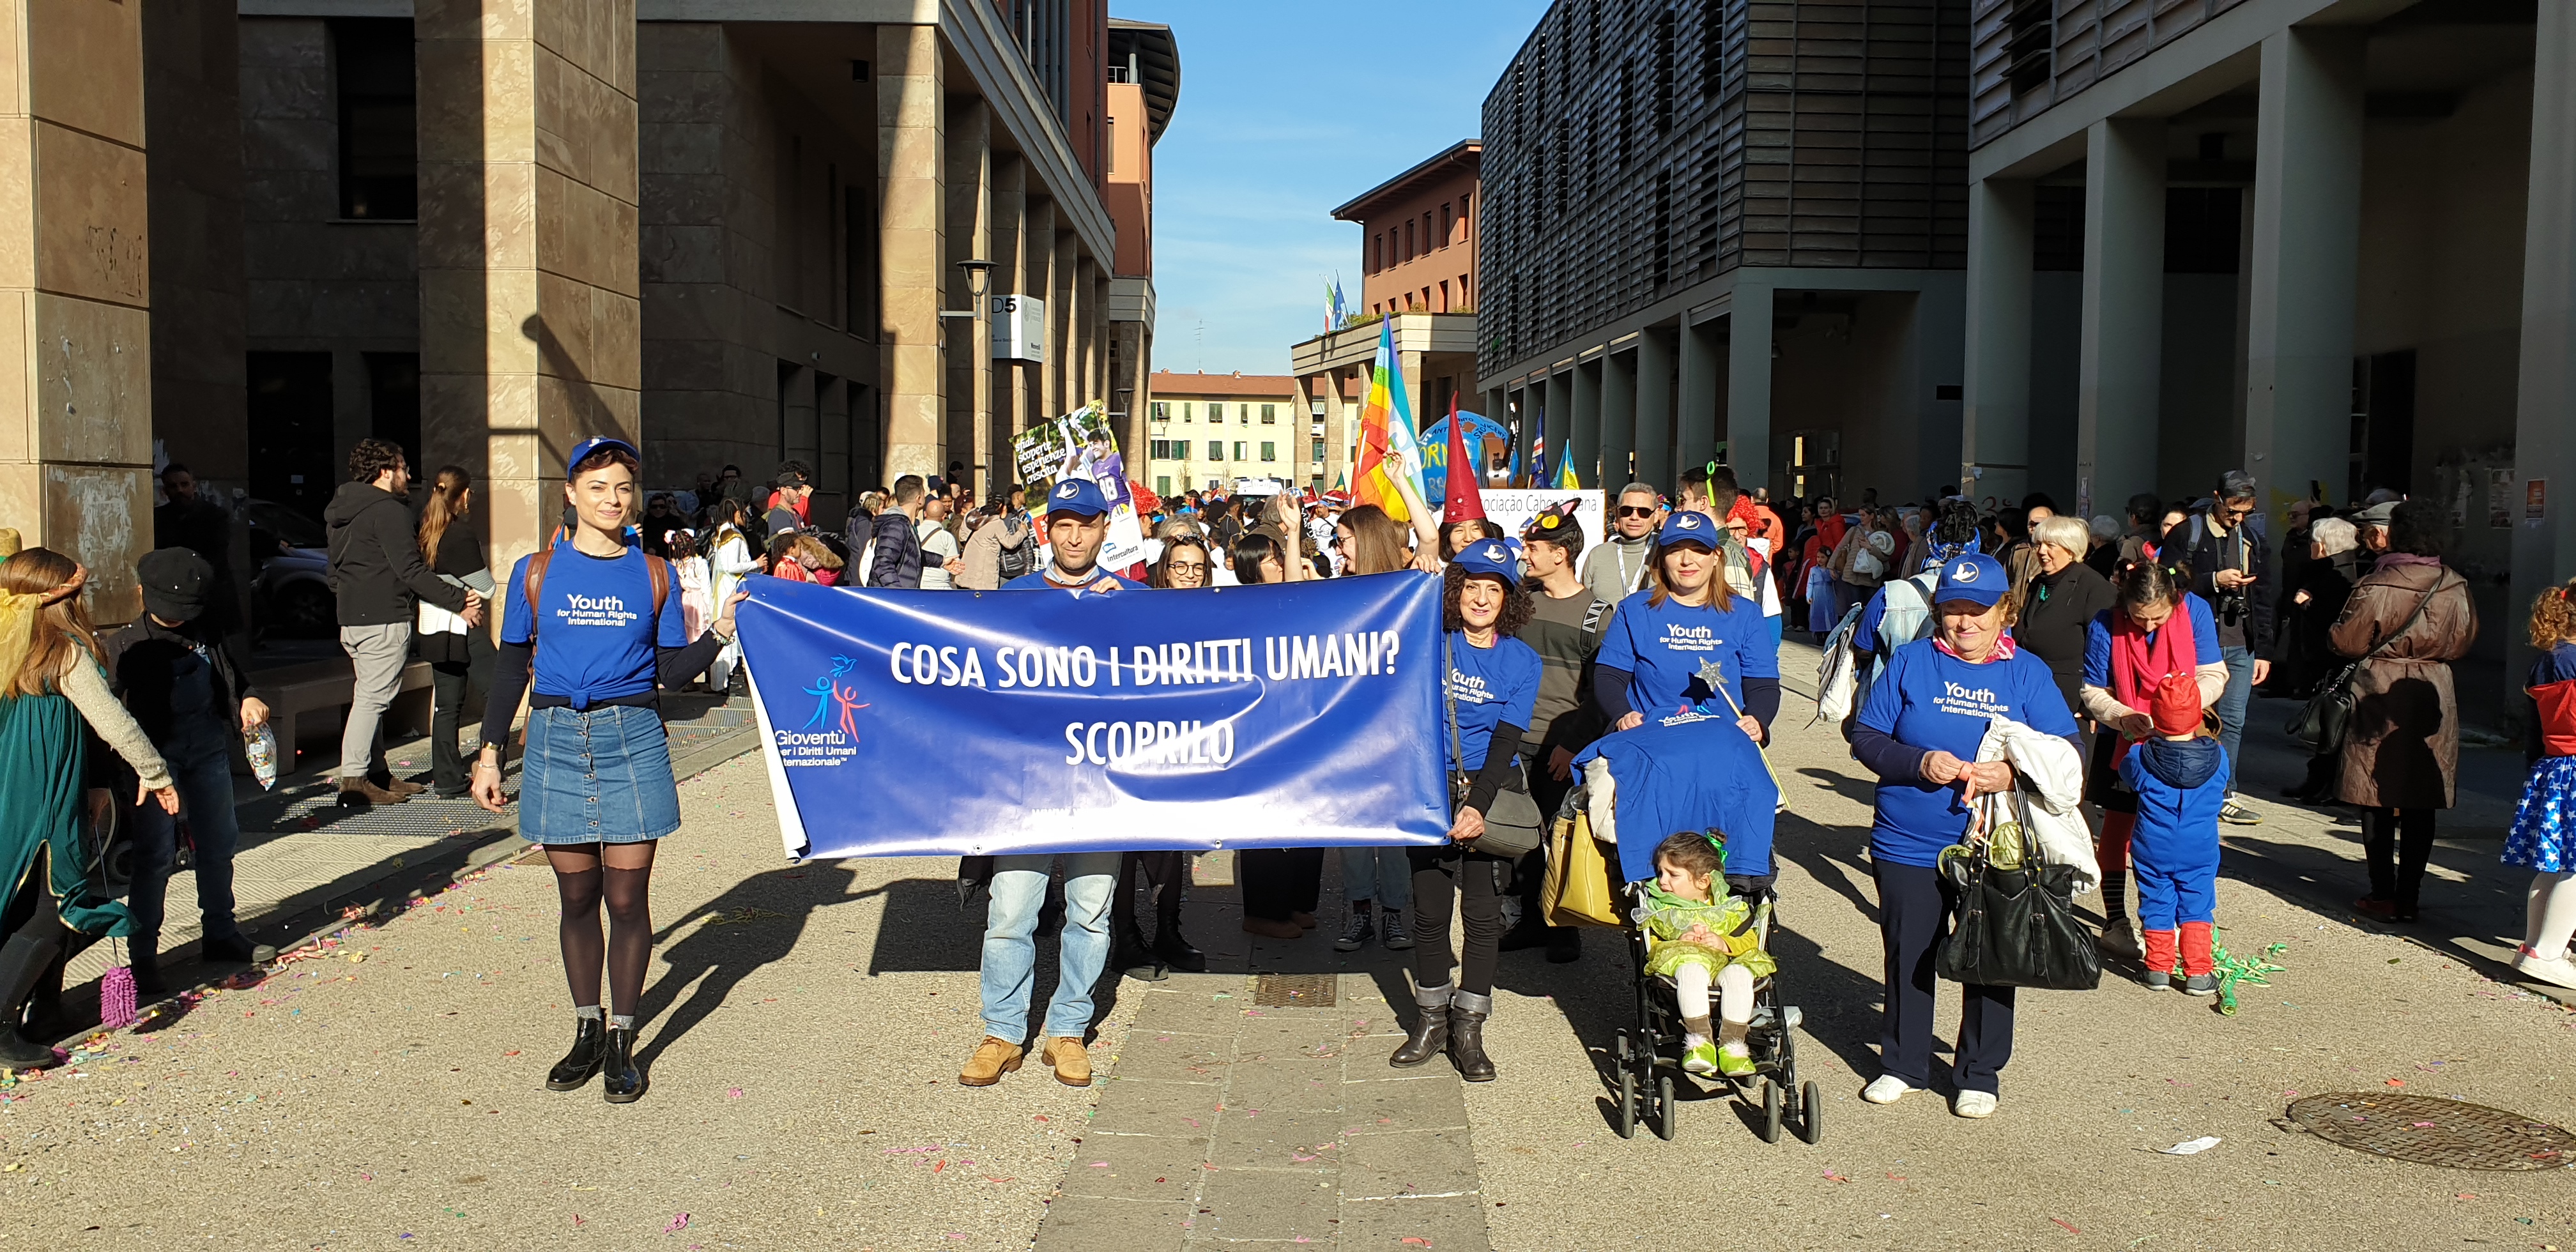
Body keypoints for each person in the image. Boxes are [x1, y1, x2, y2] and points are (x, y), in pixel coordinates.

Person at [472, 436, 742, 1104]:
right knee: (575, 897)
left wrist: (721, 631)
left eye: (622, 488)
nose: (612, 499)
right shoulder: (537, 571)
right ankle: (586, 1029)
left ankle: (623, 1038)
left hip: (633, 738)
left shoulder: (653, 572)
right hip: (557, 736)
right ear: (570, 493)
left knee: (626, 900)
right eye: (597, 487)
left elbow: (670, 675)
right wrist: (487, 752)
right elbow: (510, 668)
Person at [1847, 551, 2077, 1117]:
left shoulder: (2028, 673)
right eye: (1952, 610)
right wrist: (1918, 763)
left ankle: (1979, 1071)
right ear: (1938, 610)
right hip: (1908, 836)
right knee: (1909, 952)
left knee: (1992, 955)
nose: (1965, 623)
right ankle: (1903, 1062)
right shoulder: (1909, 662)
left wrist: (2012, 772)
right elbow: (1866, 738)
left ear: (2006, 611)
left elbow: (2069, 753)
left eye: (1979, 610)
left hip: (1993, 845)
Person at [962, 478, 1147, 1089]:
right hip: (1027, 786)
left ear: (1104, 529)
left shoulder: (1133, 598)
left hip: (1105, 785)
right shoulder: (1014, 595)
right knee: (1011, 911)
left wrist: (1134, 614)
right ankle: (1003, 1031)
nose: (1073, 535)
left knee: (1091, 914)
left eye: (1086, 524)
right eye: (1063, 523)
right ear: (1047, 529)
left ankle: (1068, 1029)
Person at [0, 545, 179, 1067]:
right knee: (58, 905)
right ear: (66, 597)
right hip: (43, 795)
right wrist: (157, 774)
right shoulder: (63, 650)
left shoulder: (12, 647)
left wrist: (97, 782)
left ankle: (48, 1011)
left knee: (27, 897)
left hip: (13, 791)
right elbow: (113, 723)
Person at [1390, 539, 1539, 1083]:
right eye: (1471, 587)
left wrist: (1478, 807)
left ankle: (1469, 1030)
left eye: (1493, 590)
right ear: (1457, 593)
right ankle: (1430, 1022)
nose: (1481, 599)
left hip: (1488, 791)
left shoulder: (1522, 660)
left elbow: (1506, 742)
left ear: (1509, 599)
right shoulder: (1431, 639)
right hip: (1427, 788)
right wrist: (1421, 564)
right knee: (1429, 913)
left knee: (1480, 918)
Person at [100, 549, 274, 995]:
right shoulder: (124, 646)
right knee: (154, 857)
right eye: (169, 612)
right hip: (155, 764)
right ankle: (143, 955)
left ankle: (220, 931)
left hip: (208, 750)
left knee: (218, 843)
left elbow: (232, 675)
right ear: (144, 594)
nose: (177, 620)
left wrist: (249, 698)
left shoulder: (207, 631)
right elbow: (106, 715)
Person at [2329, 501, 2478, 923]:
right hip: (2432, 688)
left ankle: (2382, 892)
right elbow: (2464, 640)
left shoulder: (2380, 582)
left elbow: (2347, 642)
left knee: (2373, 794)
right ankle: (2409, 896)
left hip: (2381, 688)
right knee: (2421, 799)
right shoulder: (2453, 583)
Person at [2079, 560, 2228, 961]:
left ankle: (2180, 925)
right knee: (2118, 825)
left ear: (2174, 602)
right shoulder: (2105, 623)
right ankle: (2116, 920)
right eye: (2137, 618)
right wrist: (2122, 715)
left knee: (2178, 830)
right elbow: (2093, 689)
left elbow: (2215, 673)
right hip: (2127, 736)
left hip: (2184, 735)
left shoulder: (2194, 610)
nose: (2146, 627)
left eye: (2157, 619)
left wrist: (2178, 702)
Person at [324, 438, 482, 807]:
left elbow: (334, 571)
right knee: (373, 699)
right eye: (403, 468)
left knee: (369, 695)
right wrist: (460, 602)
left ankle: (375, 772)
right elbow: (410, 569)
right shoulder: (389, 511)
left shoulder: (341, 510)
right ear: (385, 472)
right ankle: (354, 782)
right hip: (382, 616)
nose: (408, 476)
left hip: (352, 618)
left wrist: (350, 599)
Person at [1501, 500, 1611, 963]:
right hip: (1513, 739)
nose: (1525, 552)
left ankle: (1564, 929)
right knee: (1518, 837)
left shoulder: (1598, 615)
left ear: (1561, 554)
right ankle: (1529, 919)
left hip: (1559, 746)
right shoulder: (1519, 602)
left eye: (1534, 546)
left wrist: (1571, 746)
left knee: (1561, 838)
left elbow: (1600, 695)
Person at [1108, 533, 1218, 979]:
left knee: (1176, 844)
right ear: (1164, 571)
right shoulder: (1143, 606)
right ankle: (1127, 938)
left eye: (1197, 568)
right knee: (1128, 846)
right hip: (1137, 743)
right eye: (1180, 567)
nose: (1189, 575)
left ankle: (1168, 933)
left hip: (1187, 746)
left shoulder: (1219, 612)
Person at [1593, 509, 1781, 742]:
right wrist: (1622, 714)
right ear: (1661, 558)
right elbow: (1609, 674)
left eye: (1699, 550)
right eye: (1675, 550)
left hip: (1721, 741)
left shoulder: (1746, 613)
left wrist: (1756, 719)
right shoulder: (1633, 610)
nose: (1686, 560)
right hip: (1649, 739)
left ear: (1716, 556)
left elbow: (1763, 683)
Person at [1328, 505, 1419, 952]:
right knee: (1355, 830)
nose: (1338, 548)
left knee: (1393, 832)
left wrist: (1404, 485)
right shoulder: (1340, 589)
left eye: (1343, 538)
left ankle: (1395, 915)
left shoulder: (1406, 588)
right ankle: (1359, 912)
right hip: (1348, 731)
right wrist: (1290, 535)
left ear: (1365, 539)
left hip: (1398, 729)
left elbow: (1433, 542)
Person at [2175, 472, 2274, 825]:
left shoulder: (2251, 539)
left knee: (2233, 721)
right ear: (2218, 498)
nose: (2237, 519)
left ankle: (2224, 791)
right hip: (2198, 641)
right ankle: (2190, 785)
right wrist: (2214, 581)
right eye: (2233, 510)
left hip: (2240, 642)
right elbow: (2169, 579)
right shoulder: (2189, 533)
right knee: (2193, 717)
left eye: (2245, 512)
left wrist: (2263, 650)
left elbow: (2263, 598)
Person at [2119, 673, 2228, 995]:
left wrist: (2141, 739)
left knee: (2156, 901)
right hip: (2200, 847)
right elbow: (2222, 784)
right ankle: (2198, 973)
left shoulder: (2141, 756)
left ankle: (2158, 968)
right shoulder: (2219, 756)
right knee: (2197, 905)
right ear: (2198, 715)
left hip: (2153, 845)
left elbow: (2128, 775)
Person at [1639, 830, 1773, 1079]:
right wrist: (1679, 941)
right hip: (1685, 964)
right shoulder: (1661, 909)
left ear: (1703, 882)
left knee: (1740, 975)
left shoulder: (1729, 908)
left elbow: (1751, 940)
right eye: (1660, 873)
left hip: (1727, 963)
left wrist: (1725, 943)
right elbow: (1652, 946)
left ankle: (1733, 1047)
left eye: (1672, 875)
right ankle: (1699, 1042)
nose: (1661, 882)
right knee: (1691, 969)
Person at [2504, 579, 2576, 989]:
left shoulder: (2549, 660)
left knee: (2554, 868)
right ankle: (2547, 951)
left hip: (2556, 768)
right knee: (2573, 867)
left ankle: (2533, 946)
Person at [410, 467, 496, 797]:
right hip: (464, 626)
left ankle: (446, 779)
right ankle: (491, 760)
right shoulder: (459, 534)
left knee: (446, 706)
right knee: (498, 689)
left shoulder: (424, 529)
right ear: (464, 494)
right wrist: (467, 593)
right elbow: (486, 587)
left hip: (432, 624)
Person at [2015, 514, 2119, 721]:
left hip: (2072, 705)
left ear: (2071, 550)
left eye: (2050, 545)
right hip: (2029, 694)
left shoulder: (2093, 588)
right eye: (2039, 544)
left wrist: (2093, 706)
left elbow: (2108, 651)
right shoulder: (2039, 583)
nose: (2042, 551)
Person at [153, 463, 239, 636]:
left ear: (194, 485)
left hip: (210, 597)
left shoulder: (215, 516)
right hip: (175, 599)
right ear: (165, 490)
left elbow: (214, 556)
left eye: (184, 484)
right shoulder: (159, 518)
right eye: (173, 486)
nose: (179, 490)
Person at [703, 500, 759, 693]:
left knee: (723, 634)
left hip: (722, 589)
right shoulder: (733, 537)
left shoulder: (719, 536)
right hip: (730, 590)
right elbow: (731, 566)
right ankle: (726, 684)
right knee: (729, 636)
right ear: (736, 513)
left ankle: (719, 683)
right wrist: (756, 564)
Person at [1583, 483, 1661, 606]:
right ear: (1617, 513)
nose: (1634, 517)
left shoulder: (1667, 551)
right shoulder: (1598, 555)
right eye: (1627, 511)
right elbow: (1585, 605)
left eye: (1644, 512)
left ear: (1656, 515)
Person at [958, 488, 1032, 592]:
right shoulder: (996, 523)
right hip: (983, 576)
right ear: (1002, 507)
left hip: (967, 572)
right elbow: (1010, 543)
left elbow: (962, 537)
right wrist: (1023, 531)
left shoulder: (976, 517)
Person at [867, 475, 930, 589]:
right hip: (889, 599)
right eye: (924, 493)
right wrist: (898, 593)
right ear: (919, 498)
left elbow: (911, 554)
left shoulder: (904, 523)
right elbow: (883, 564)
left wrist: (942, 561)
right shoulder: (896, 525)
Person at [917, 489, 964, 590]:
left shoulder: (914, 532)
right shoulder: (947, 537)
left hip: (918, 583)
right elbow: (955, 566)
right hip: (940, 585)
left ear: (925, 514)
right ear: (944, 517)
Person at [764, 461, 815, 537]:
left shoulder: (798, 496)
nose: (801, 481)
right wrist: (804, 498)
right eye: (797, 478)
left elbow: (803, 521)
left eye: (803, 477)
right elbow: (792, 520)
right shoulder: (776, 497)